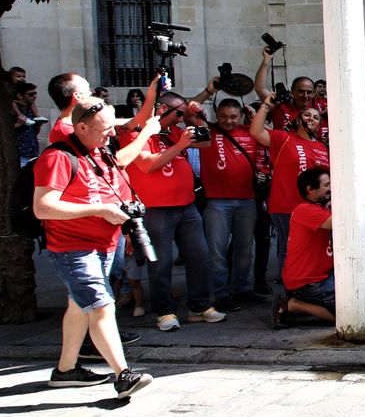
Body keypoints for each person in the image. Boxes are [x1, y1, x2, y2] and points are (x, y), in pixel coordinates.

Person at [33, 100, 157, 398]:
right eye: (105, 129)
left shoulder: (99, 152)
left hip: (104, 244)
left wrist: (147, 129)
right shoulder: (58, 157)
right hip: (73, 248)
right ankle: (123, 374)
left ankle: (65, 371)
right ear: (82, 127)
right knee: (101, 306)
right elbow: (43, 207)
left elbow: (122, 161)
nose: (111, 134)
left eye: (112, 127)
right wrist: (100, 209)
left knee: (79, 306)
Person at [124, 92, 224, 333]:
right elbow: (147, 164)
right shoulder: (137, 134)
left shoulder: (175, 132)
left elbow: (206, 142)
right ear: (161, 109)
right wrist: (180, 146)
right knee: (161, 264)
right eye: (179, 113)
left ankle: (199, 307)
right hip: (157, 209)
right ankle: (164, 312)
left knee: (199, 257)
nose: (182, 118)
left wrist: (199, 119)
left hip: (186, 205)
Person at [250, 87, 329, 270]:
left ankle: (303, 286)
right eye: (307, 115)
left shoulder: (321, 147)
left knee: (309, 248)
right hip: (286, 206)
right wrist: (266, 105)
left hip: (314, 208)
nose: (311, 119)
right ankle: (290, 290)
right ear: (297, 119)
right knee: (289, 248)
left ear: (319, 125)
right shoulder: (283, 137)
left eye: (316, 117)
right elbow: (255, 132)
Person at [197, 98, 264, 311]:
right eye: (224, 116)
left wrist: (255, 116)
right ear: (217, 115)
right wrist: (209, 91)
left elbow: (269, 135)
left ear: (241, 116)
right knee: (217, 251)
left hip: (247, 200)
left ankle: (241, 289)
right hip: (217, 202)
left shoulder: (250, 132)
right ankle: (221, 294)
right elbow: (188, 110)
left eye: (234, 116)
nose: (229, 121)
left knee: (244, 249)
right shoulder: (208, 131)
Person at [275, 168, 335, 327]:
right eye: (327, 185)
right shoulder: (305, 210)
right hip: (308, 282)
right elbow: (341, 221)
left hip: (322, 276)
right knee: (349, 315)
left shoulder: (318, 208)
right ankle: (293, 304)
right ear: (310, 189)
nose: (331, 188)